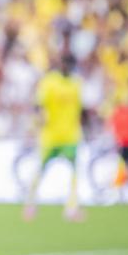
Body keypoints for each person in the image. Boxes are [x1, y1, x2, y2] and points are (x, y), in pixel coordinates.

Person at [23, 53, 84, 221]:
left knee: (74, 172)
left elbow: (80, 109)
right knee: (40, 170)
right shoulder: (49, 82)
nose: (66, 68)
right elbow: (38, 104)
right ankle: (30, 204)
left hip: (71, 135)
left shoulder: (76, 83)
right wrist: (38, 122)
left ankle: (71, 208)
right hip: (50, 135)